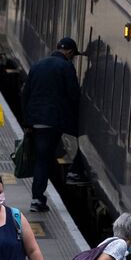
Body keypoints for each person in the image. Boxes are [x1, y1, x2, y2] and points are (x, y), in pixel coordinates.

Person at [20, 37, 81, 213]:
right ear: (69, 52)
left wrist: (27, 122)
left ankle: (38, 197)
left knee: (42, 158)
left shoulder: (38, 64)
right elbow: (74, 94)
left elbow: (26, 94)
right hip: (53, 122)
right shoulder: (66, 67)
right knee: (46, 159)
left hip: (35, 120)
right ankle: (38, 199)